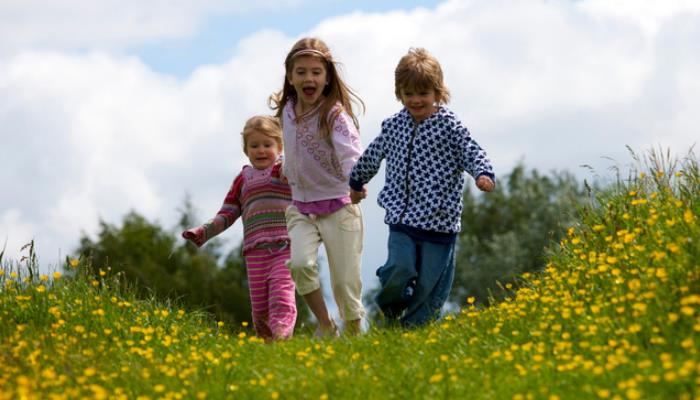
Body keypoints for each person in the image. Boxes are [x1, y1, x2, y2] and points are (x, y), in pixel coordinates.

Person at [349, 47, 496, 328]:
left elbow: (471, 151)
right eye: (408, 94)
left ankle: (411, 333)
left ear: (437, 93)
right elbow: (372, 155)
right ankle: (390, 308)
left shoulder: (450, 127)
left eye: (423, 94)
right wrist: (357, 181)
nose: (415, 100)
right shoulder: (394, 126)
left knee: (430, 287)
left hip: (439, 221)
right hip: (402, 218)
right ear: (399, 94)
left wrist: (482, 173)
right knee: (398, 269)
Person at [269, 37, 365, 336]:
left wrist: (356, 182)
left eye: (315, 72)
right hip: (301, 206)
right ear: (290, 76)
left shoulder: (334, 115)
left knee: (344, 282)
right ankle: (326, 324)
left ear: (326, 78)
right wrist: (286, 167)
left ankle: (353, 332)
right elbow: (294, 145)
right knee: (300, 265)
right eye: (301, 72)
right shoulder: (286, 109)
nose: (308, 78)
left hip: (339, 206)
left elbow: (350, 152)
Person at [182, 115, 297, 341]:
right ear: (246, 150)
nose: (261, 150)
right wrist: (204, 231)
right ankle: (269, 346)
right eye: (254, 145)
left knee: (281, 297)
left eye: (267, 145)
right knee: (260, 310)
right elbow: (227, 213)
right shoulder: (242, 180)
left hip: (286, 246)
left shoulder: (283, 170)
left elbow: (302, 173)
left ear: (280, 147)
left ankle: (283, 336)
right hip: (255, 253)